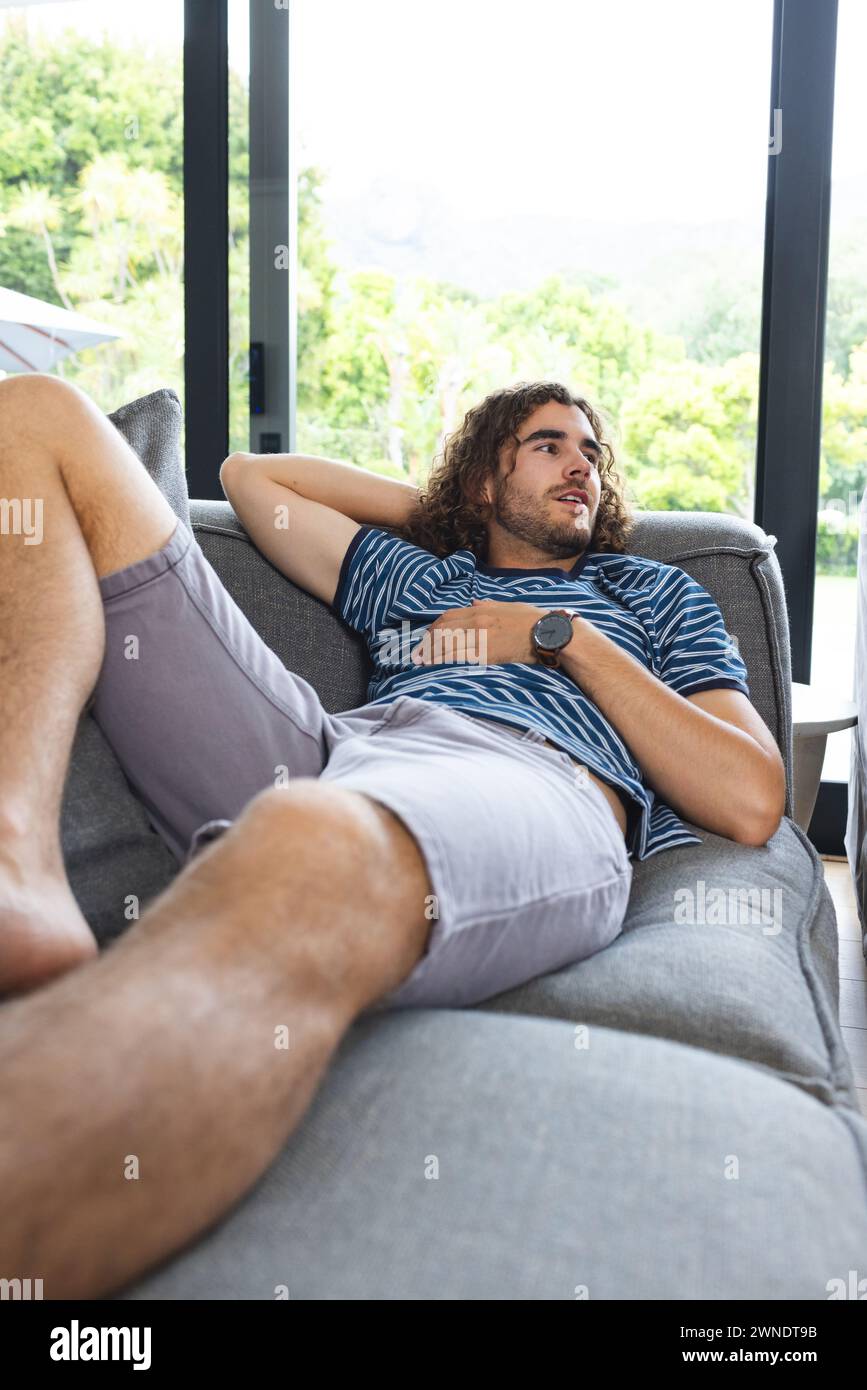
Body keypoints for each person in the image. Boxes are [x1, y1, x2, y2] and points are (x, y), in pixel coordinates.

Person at [0, 374, 785, 1297]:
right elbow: (253, 477)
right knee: (37, 416)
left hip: (524, 775)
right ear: (486, 483)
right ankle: (19, 853)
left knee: (308, 840)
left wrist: (559, 635)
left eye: (591, 454)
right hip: (338, 745)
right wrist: (456, 511)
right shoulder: (420, 575)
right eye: (547, 446)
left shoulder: (649, 591)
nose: (583, 466)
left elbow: (748, 796)